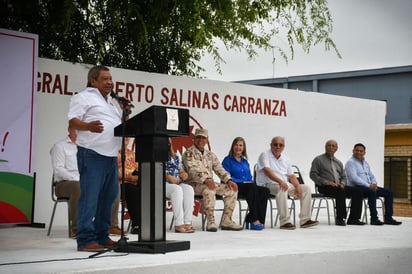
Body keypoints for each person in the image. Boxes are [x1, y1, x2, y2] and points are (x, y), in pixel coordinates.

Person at [68, 65, 122, 252]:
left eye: (110, 79)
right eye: (105, 79)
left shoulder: (111, 103)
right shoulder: (83, 97)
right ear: (93, 81)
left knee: (108, 199)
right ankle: (84, 239)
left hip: (110, 157)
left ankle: (101, 236)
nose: (110, 82)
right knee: (89, 198)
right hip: (92, 154)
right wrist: (88, 126)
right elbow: (73, 121)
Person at [182, 128, 243, 232]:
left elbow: (219, 169)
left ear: (207, 140)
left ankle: (227, 220)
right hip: (193, 184)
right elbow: (192, 170)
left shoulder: (210, 155)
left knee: (232, 189)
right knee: (209, 189)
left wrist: (228, 180)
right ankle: (210, 221)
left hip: (209, 182)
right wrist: (206, 180)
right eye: (198, 137)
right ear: (194, 139)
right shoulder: (188, 153)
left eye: (203, 138)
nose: (201, 140)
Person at [256, 136, 318, 230]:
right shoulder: (264, 155)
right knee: (282, 187)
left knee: (306, 189)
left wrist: (297, 186)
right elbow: (267, 171)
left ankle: (305, 220)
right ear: (271, 145)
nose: (278, 147)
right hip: (267, 185)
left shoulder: (286, 159)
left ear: (283, 147)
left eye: (280, 145)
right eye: (275, 144)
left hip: (284, 184)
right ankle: (285, 222)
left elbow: (292, 176)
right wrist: (281, 181)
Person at [310, 139, 365, 226]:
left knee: (358, 191)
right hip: (324, 187)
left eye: (333, 146)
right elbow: (313, 175)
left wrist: (342, 183)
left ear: (336, 148)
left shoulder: (338, 162)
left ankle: (353, 219)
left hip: (338, 186)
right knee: (340, 191)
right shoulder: (318, 160)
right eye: (329, 145)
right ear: (325, 147)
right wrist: (327, 182)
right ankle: (340, 218)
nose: (331, 147)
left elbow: (344, 176)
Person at [345, 143, 402, 225]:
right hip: (357, 188)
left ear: (364, 152)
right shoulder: (350, 163)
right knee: (372, 192)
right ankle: (374, 219)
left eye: (361, 151)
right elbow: (354, 178)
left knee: (389, 193)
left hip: (369, 187)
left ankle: (388, 218)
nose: (359, 152)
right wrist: (369, 186)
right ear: (353, 151)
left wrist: (374, 183)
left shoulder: (366, 163)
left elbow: (371, 175)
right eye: (357, 150)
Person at [222, 137, 270, 230]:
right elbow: (226, 177)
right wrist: (242, 182)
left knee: (265, 191)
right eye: (236, 145)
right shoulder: (227, 160)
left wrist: (249, 182)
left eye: (241, 145)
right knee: (251, 187)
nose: (238, 147)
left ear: (243, 148)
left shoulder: (245, 161)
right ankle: (254, 219)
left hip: (248, 187)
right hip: (234, 186)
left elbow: (249, 177)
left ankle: (258, 219)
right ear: (232, 147)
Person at [50, 126, 80, 239]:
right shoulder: (60, 146)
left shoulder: (85, 148)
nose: (79, 132)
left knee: (110, 185)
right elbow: (58, 169)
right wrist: (76, 178)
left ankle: (108, 227)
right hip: (63, 184)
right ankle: (77, 229)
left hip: (81, 182)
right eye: (76, 129)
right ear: (69, 129)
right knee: (78, 187)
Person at [166, 138, 195, 233]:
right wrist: (167, 177)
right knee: (176, 190)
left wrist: (184, 174)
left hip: (177, 182)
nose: (167, 144)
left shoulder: (175, 156)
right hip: (161, 183)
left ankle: (187, 222)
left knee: (189, 189)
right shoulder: (156, 155)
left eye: (169, 142)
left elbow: (181, 170)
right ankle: (179, 224)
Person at [110, 137, 138, 235]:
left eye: (128, 136)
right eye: (124, 136)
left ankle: (147, 223)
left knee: (147, 189)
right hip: (118, 183)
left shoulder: (133, 154)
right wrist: (128, 178)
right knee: (132, 190)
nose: (126, 138)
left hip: (133, 183)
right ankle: (137, 225)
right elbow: (111, 172)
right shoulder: (113, 153)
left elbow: (138, 169)